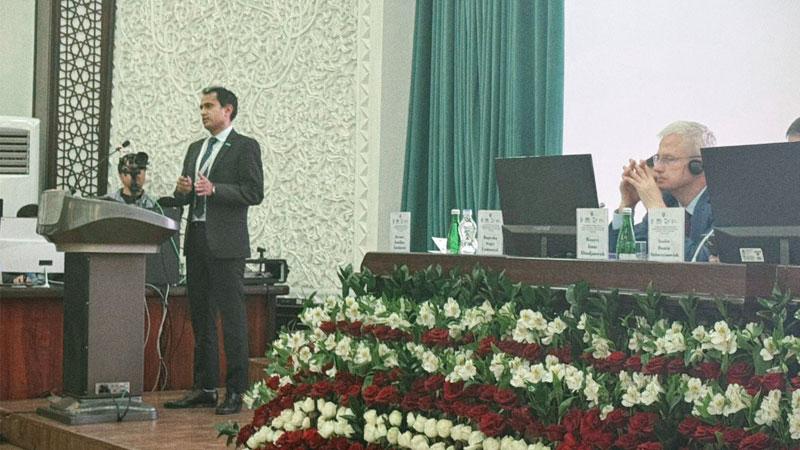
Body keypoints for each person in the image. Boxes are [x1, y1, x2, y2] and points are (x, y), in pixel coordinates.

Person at [164, 86, 264, 415]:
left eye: (209, 106)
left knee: (233, 320)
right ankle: (204, 388)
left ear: (228, 110)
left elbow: (254, 192)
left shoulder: (245, 147)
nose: (203, 112)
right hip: (197, 241)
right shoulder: (196, 149)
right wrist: (182, 192)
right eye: (201, 106)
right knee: (201, 319)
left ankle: (235, 391)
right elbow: (186, 198)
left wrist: (216, 189)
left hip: (227, 246)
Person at [610, 121, 716, 261]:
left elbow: (698, 260)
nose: (658, 168)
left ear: (698, 165)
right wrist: (626, 207)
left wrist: (658, 211)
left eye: (669, 159)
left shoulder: (723, 207)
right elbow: (617, 254)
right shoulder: (668, 200)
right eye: (658, 159)